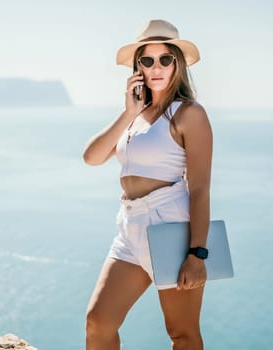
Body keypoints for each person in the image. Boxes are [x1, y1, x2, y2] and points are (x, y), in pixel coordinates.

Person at [82, 19, 213, 350]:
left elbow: (199, 188)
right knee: (98, 321)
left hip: (169, 225)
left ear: (177, 65)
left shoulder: (189, 114)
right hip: (130, 226)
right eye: (148, 60)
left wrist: (197, 253)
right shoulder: (135, 117)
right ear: (137, 66)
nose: (157, 67)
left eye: (165, 59)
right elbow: (92, 157)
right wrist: (129, 112)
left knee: (182, 335)